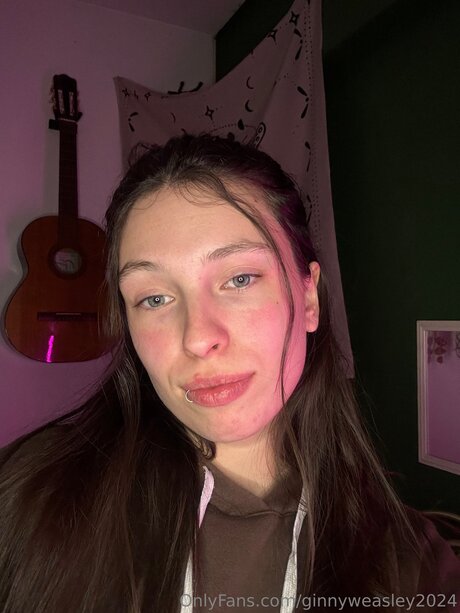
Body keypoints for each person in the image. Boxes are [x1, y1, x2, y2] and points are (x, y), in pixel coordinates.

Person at [0, 134, 459, 613]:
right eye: (154, 298)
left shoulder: (410, 565)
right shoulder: (33, 496)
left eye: (239, 279)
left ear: (308, 298)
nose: (198, 338)